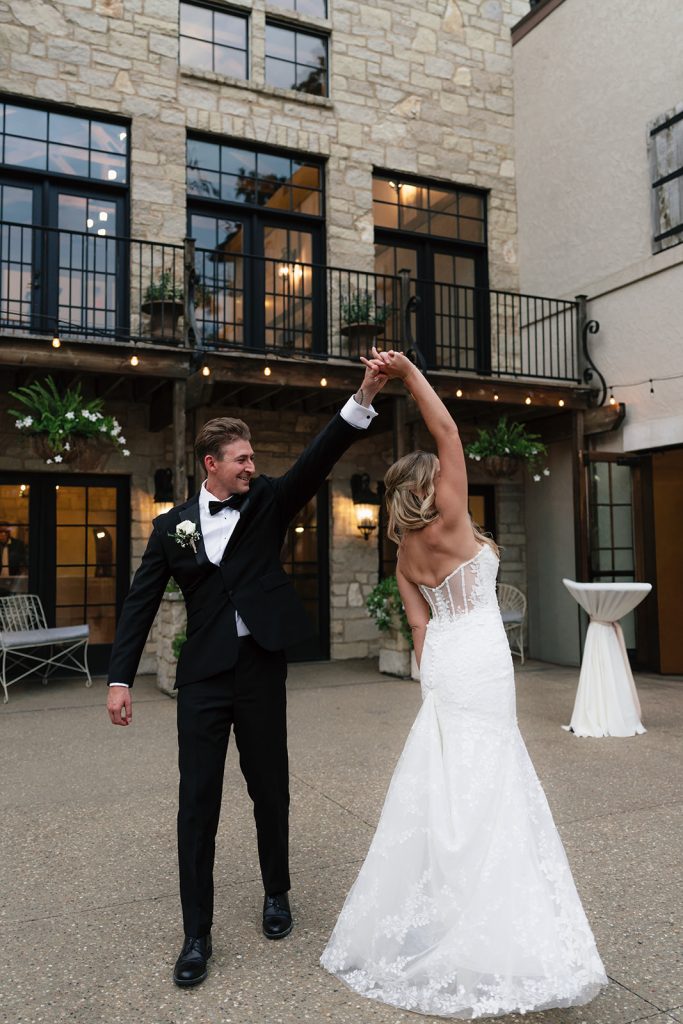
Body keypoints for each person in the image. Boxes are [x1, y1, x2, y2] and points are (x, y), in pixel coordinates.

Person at [321, 349, 607, 1018]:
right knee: (493, 772)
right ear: (430, 484)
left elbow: (419, 632)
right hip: (479, 652)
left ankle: (443, 893)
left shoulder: (402, 554)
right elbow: (447, 432)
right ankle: (486, 904)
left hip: (445, 662)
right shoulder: (451, 516)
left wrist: (431, 682)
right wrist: (411, 374)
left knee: (446, 777)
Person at [106, 361, 385, 988]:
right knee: (196, 803)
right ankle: (196, 934)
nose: (250, 465)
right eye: (240, 458)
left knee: (271, 788)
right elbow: (140, 602)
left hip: (260, 668)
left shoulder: (267, 502)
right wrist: (119, 677)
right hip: (202, 678)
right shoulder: (168, 527)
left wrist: (362, 397)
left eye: (252, 457)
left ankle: (276, 893)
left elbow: (316, 459)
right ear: (211, 463)